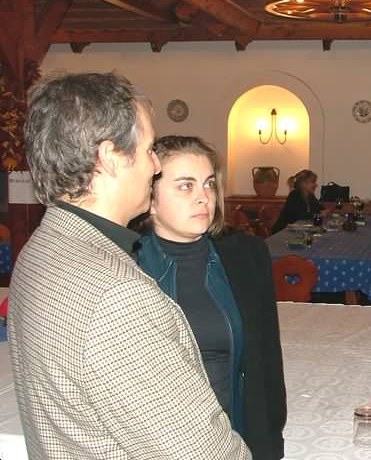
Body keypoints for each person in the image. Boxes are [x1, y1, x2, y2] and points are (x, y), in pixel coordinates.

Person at [8, 73, 250, 459]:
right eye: (149, 149)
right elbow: (202, 452)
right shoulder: (117, 294)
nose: (155, 165)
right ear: (110, 157)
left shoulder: (40, 247)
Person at [136, 135, 286, 460]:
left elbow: (267, 361)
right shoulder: (125, 265)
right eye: (185, 186)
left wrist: (270, 444)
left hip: (236, 440)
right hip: (156, 446)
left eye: (208, 184)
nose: (204, 197)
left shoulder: (247, 255)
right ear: (150, 199)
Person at [272, 169, 328, 233]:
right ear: (303, 183)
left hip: (299, 230)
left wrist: (326, 211)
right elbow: (300, 216)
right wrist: (318, 215)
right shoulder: (294, 195)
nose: (315, 185)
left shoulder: (310, 196)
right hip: (284, 231)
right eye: (313, 182)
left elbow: (320, 209)